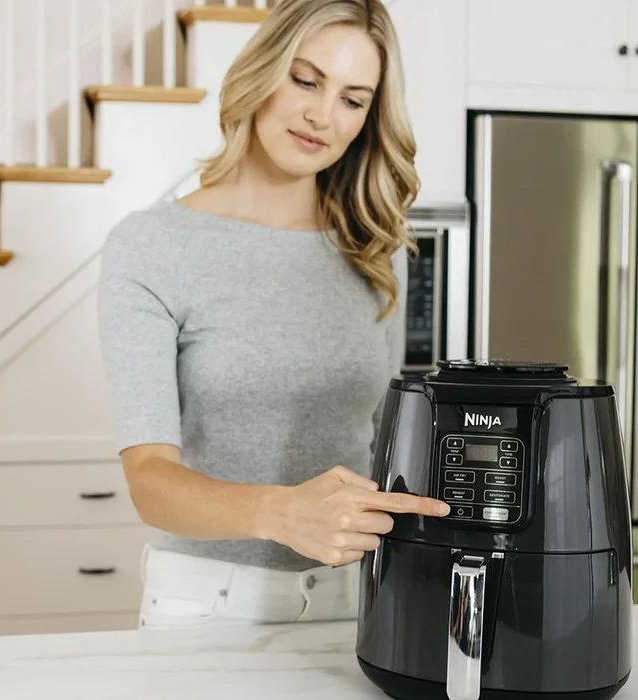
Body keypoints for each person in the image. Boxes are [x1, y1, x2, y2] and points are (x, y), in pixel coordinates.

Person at [95, 0, 450, 629]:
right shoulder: (152, 245)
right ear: (264, 70)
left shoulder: (374, 251)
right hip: (206, 609)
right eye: (306, 79)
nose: (321, 114)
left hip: (356, 602)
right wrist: (281, 513)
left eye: (353, 98)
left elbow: (379, 441)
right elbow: (149, 480)